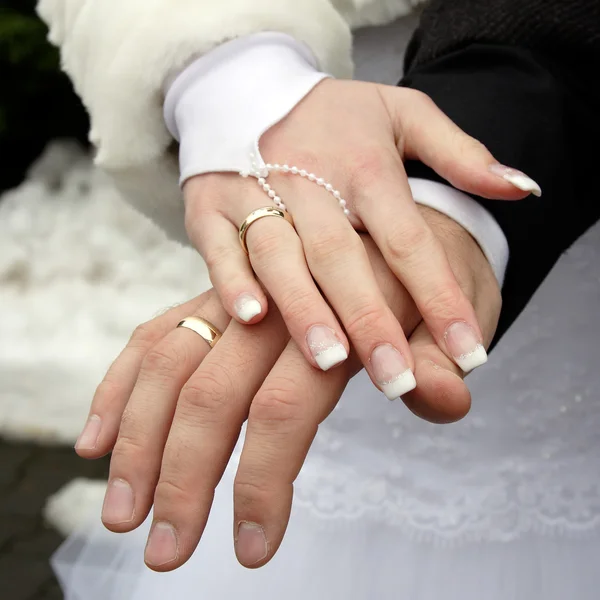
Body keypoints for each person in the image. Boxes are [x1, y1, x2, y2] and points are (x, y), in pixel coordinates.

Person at [40, 0, 600, 598]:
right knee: (286, 371)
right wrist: (228, 77)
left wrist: (451, 196)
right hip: (287, 169)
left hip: (558, 170)